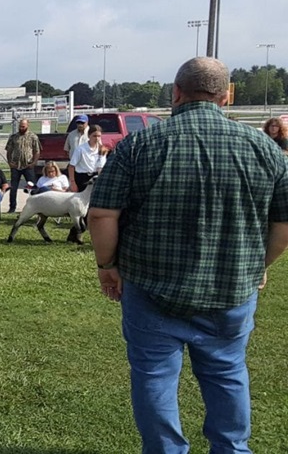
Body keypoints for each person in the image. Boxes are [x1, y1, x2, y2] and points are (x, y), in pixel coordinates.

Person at [88, 57, 288, 454]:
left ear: (176, 93)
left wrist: (107, 266)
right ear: (227, 96)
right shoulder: (266, 148)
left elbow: (102, 214)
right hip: (231, 291)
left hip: (151, 288)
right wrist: (258, 266)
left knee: (155, 377)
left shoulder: (140, 144)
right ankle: (231, 449)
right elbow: (282, 226)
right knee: (227, 373)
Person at [4, 118, 40, 213]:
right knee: (13, 187)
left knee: (33, 187)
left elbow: (37, 151)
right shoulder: (13, 137)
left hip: (28, 165)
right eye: (20, 126)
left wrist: (34, 163)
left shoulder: (33, 137)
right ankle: (12, 207)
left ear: (28, 125)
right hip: (16, 166)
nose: (21, 128)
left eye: (23, 126)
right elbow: (8, 150)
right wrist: (10, 162)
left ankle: (35, 207)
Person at [67, 124, 107, 192]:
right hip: (82, 178)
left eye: (99, 136)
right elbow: (71, 166)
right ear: (89, 136)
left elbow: (100, 168)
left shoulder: (102, 150)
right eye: (94, 136)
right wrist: (72, 183)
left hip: (95, 177)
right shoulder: (80, 149)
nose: (97, 138)